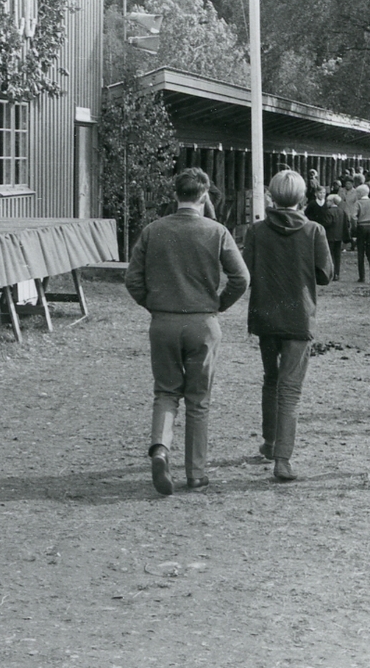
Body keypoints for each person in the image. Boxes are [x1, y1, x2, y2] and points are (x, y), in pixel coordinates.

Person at [125, 168, 249, 494]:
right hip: (202, 322)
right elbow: (241, 278)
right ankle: (196, 472)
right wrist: (219, 305)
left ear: (175, 194)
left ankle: (161, 450)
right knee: (198, 399)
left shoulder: (153, 231)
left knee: (166, 392)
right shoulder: (217, 231)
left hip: (163, 321)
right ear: (204, 195)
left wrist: (153, 304)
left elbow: (132, 279)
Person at [242, 171, 333, 481]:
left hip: (266, 316)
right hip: (299, 317)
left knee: (270, 380)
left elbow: (247, 271)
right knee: (290, 389)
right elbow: (325, 274)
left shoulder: (256, 231)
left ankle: (269, 442)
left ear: (271, 196)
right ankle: (283, 459)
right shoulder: (314, 230)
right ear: (302, 197)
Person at [324, 193, 351, 281]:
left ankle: (330, 273)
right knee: (337, 256)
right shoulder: (342, 211)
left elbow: (327, 223)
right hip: (339, 236)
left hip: (330, 236)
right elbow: (346, 223)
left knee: (330, 255)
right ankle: (337, 274)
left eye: (327, 201)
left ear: (331, 202)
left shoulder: (328, 212)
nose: (326, 202)